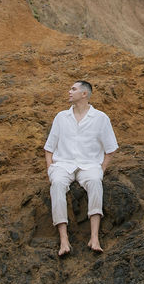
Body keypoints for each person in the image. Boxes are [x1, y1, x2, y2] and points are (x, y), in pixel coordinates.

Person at [43, 80, 118, 256]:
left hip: (89, 165)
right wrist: (50, 170)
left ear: (84, 94)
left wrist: (101, 170)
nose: (69, 91)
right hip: (63, 164)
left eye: (73, 89)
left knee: (94, 182)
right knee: (58, 185)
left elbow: (111, 149)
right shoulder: (61, 117)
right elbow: (49, 148)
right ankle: (64, 240)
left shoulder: (100, 118)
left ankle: (94, 237)